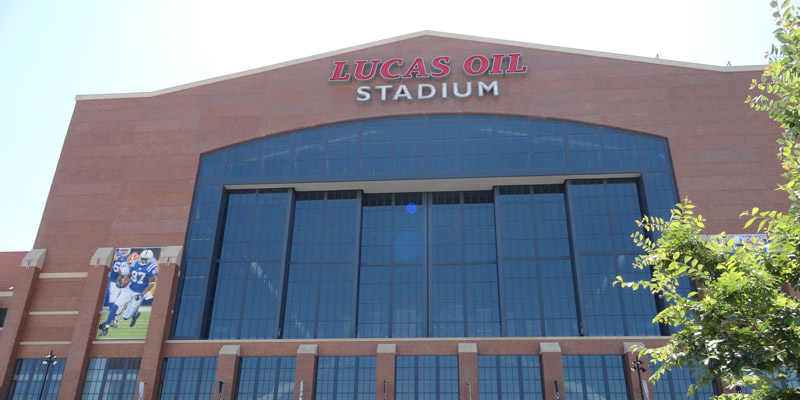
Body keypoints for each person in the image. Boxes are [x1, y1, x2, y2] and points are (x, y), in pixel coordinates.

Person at [99, 249, 158, 336]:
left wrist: (142, 294)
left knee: (126, 317)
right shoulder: (133, 264)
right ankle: (106, 328)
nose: (143, 261)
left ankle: (134, 314)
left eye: (145, 259)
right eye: (142, 258)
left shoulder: (151, 267)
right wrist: (121, 282)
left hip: (139, 292)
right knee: (115, 306)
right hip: (129, 289)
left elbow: (151, 283)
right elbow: (125, 276)